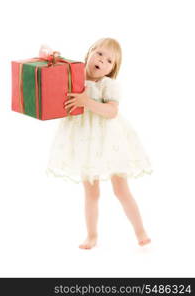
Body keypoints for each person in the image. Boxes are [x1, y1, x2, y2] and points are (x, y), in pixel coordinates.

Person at [45, 38, 154, 250]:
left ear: (113, 69)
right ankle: (92, 235)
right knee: (91, 192)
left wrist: (87, 102)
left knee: (121, 189)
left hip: (110, 141)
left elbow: (112, 112)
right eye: (100, 54)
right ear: (89, 53)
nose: (102, 60)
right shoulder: (74, 76)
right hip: (85, 141)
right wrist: (54, 60)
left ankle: (140, 231)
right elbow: (56, 75)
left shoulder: (108, 85)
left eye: (109, 60)